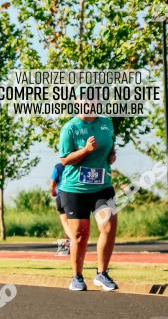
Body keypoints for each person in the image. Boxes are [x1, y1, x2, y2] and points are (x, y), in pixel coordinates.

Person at [58, 114, 118, 291]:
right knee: (80, 235)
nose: (89, 101)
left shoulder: (107, 123)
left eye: (92, 97)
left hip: (103, 185)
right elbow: (64, 159)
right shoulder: (70, 128)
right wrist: (86, 150)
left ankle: (102, 274)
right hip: (76, 189)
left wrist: (112, 153)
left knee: (109, 226)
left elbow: (111, 142)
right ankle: (76, 277)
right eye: (84, 98)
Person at [50, 162, 73, 256]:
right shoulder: (78, 165)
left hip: (61, 196)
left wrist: (53, 192)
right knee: (72, 224)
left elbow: (52, 184)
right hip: (75, 196)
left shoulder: (58, 167)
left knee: (66, 224)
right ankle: (66, 248)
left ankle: (71, 245)